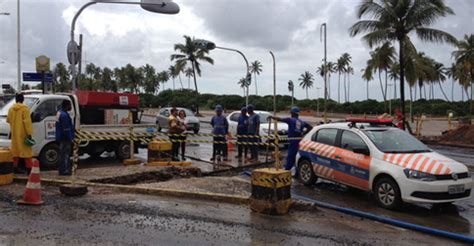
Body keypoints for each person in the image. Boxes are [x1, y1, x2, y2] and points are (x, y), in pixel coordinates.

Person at [269, 106, 312, 171]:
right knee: (297, 155)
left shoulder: (290, 120)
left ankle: (287, 169)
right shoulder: (302, 122)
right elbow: (310, 127)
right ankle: (296, 170)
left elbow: (279, 119)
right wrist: (303, 133)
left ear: (293, 113)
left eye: (291, 112)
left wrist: (272, 117)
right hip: (299, 140)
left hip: (293, 141)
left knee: (290, 156)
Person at [7, 93, 34, 174]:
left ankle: (15, 168)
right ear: (23, 100)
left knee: (15, 152)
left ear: (16, 99)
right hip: (23, 134)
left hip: (14, 134)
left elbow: (8, 120)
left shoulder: (11, 109)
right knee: (27, 152)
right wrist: (29, 134)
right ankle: (29, 169)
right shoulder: (25, 109)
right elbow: (27, 122)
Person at [56, 100, 75, 176]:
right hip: (65, 138)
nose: (70, 107)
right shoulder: (64, 115)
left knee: (62, 154)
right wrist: (71, 138)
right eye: (70, 105)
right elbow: (66, 129)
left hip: (60, 137)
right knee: (66, 154)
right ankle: (65, 170)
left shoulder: (59, 113)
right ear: (67, 105)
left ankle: (61, 169)